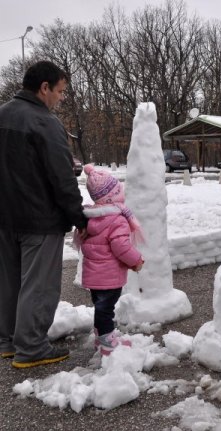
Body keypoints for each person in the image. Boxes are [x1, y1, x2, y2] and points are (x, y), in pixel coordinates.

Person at [0, 61, 88, 368]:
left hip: (4, 219)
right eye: (60, 92)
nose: (61, 98)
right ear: (44, 88)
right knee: (38, 285)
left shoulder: (2, 114)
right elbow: (62, 177)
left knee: (9, 282)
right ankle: (32, 348)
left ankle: (9, 341)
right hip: (39, 220)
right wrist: (79, 217)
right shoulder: (44, 123)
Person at [78, 164, 144, 356]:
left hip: (94, 277)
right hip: (109, 276)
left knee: (101, 308)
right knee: (106, 309)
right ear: (113, 195)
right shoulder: (117, 219)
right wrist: (136, 260)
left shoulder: (89, 218)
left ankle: (101, 337)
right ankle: (107, 342)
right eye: (118, 190)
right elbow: (121, 247)